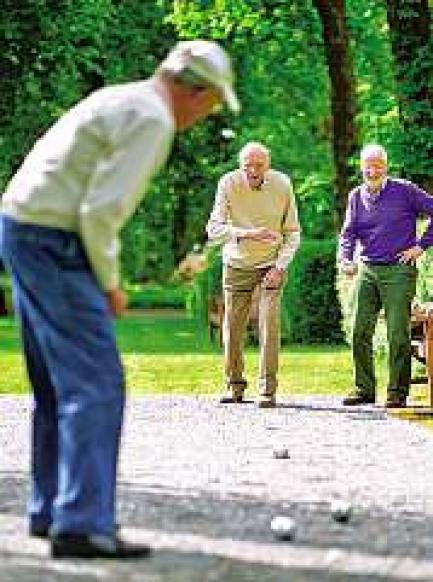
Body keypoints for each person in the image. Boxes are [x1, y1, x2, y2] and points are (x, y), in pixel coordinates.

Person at [0, 40, 239, 559]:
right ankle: (81, 524)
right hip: (55, 237)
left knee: (55, 383)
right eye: (213, 103)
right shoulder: (152, 119)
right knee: (96, 381)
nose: (208, 115)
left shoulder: (120, 97)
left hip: (19, 224)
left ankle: (51, 510)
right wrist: (109, 282)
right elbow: (100, 211)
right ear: (193, 92)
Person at [206, 142, 300, 408]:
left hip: (270, 265)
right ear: (240, 165)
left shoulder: (282, 185)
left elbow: (292, 232)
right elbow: (213, 230)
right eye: (247, 165)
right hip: (236, 264)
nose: (253, 170)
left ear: (267, 166)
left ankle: (267, 391)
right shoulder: (228, 183)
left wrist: (280, 266)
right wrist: (248, 233)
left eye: (259, 165)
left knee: (269, 325)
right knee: (232, 330)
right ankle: (234, 385)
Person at [338, 144, 433, 408]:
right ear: (361, 167)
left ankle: (397, 392)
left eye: (378, 164)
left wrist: (421, 246)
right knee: (359, 330)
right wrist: (346, 258)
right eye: (368, 165)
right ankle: (364, 388)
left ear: (386, 166)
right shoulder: (356, 196)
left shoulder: (405, 190)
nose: (373, 169)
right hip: (367, 269)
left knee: (397, 333)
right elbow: (348, 234)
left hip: (399, 270)